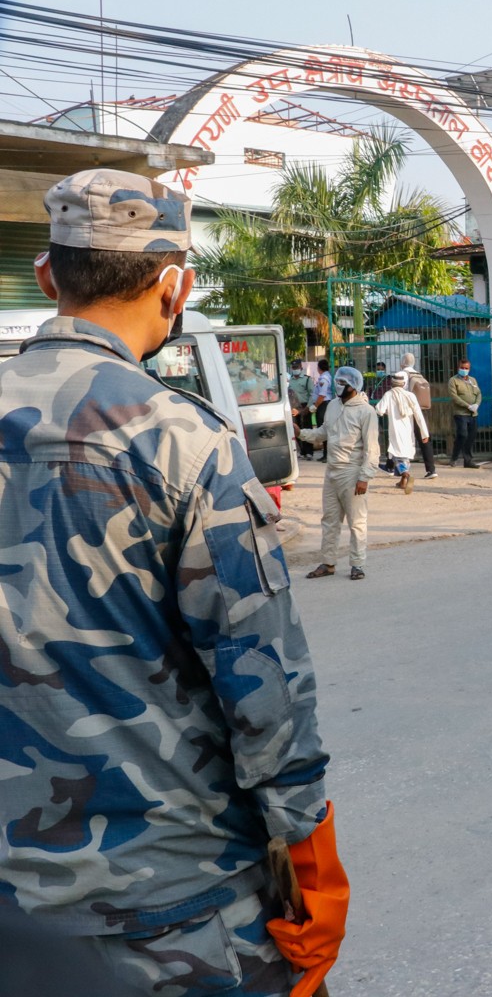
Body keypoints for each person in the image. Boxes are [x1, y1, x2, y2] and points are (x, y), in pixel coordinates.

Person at [0, 168, 347, 997]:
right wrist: (311, 861)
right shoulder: (186, 444)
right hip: (172, 910)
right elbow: (263, 690)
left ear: (49, 277)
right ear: (174, 288)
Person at [301, 366, 379, 580]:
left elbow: (372, 450)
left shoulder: (366, 412)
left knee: (357, 522)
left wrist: (364, 477)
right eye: (338, 381)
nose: (339, 385)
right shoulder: (334, 406)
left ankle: (357, 564)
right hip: (332, 471)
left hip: (352, 473)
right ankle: (328, 563)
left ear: (353, 386)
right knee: (330, 520)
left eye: (343, 383)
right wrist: (303, 434)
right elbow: (324, 432)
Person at [377, 370, 431, 494]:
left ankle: (405, 474)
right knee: (405, 456)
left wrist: (388, 412)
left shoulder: (389, 394)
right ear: (404, 384)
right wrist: (424, 433)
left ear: (392, 383)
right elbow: (419, 415)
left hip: (395, 430)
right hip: (408, 430)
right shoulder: (410, 395)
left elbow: (379, 410)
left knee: (397, 456)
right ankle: (402, 481)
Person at [399, 352, 440, 476]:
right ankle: (431, 469)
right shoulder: (418, 374)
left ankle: (395, 467)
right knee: (424, 437)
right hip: (420, 410)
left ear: (402, 362)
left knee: (399, 437)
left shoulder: (402, 374)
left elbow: (399, 392)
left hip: (407, 410)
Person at [448, 358, 482, 468]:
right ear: (458, 368)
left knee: (471, 437)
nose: (464, 370)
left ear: (469, 369)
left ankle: (468, 461)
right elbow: (454, 396)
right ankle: (454, 457)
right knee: (462, 435)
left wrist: (476, 404)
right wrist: (467, 406)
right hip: (460, 413)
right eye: (462, 368)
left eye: (466, 368)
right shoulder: (453, 381)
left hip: (473, 414)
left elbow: (479, 394)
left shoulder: (473, 380)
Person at [290, 358, 315, 458]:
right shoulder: (290, 380)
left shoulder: (307, 379)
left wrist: (307, 408)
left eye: (297, 367)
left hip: (304, 407)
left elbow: (312, 394)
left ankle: (309, 452)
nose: (295, 369)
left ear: (301, 367)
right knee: (297, 429)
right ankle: (302, 451)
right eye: (293, 367)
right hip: (293, 407)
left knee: (307, 428)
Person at [312, 358, 334, 461]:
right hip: (324, 404)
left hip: (323, 405)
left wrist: (315, 406)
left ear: (319, 368)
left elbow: (322, 395)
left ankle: (327, 455)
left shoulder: (324, 379)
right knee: (324, 429)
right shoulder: (326, 377)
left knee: (324, 429)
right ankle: (325, 454)